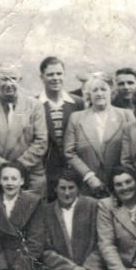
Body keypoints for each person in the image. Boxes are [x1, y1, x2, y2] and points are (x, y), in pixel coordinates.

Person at [0, 64, 48, 200]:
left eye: (13, 78)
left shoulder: (35, 106)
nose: (8, 84)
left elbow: (41, 141)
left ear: (20, 80)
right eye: (4, 79)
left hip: (30, 176)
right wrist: (3, 167)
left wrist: (19, 166)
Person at [42, 169, 103, 270]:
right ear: (55, 189)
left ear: (78, 189)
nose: (67, 193)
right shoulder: (46, 211)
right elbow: (44, 249)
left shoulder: (92, 206)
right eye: (62, 188)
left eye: (71, 187)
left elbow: (102, 242)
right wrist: (70, 269)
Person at [64, 75, 135, 197]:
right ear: (88, 94)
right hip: (87, 187)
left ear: (111, 92)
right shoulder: (76, 118)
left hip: (120, 186)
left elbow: (133, 150)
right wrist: (89, 177)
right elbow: (69, 153)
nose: (99, 93)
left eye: (103, 89)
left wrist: (122, 177)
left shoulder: (126, 116)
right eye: (95, 90)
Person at [37, 57, 84, 202]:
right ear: (42, 77)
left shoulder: (77, 103)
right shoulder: (34, 104)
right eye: (50, 74)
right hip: (46, 171)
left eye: (59, 74)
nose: (55, 78)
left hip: (73, 171)